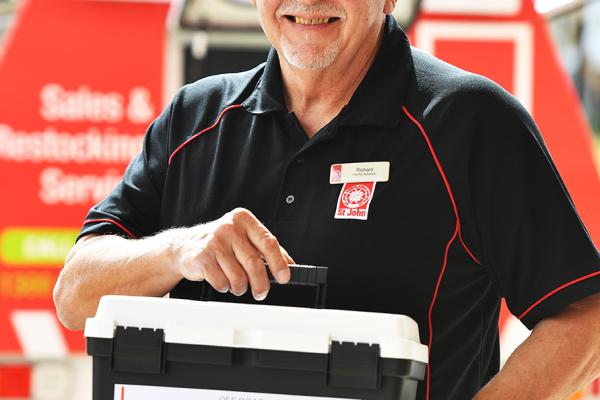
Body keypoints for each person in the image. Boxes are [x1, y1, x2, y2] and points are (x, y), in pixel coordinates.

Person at [53, 0, 600, 399]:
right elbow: (75, 295)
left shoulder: (470, 122)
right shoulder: (194, 121)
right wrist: (176, 251)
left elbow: (585, 317)